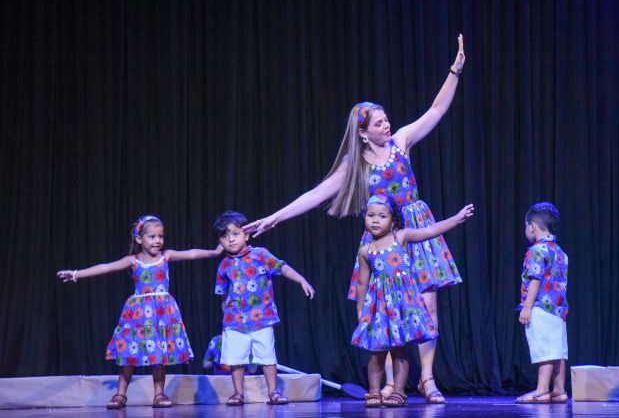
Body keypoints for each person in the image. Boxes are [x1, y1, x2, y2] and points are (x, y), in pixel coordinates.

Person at [245, 34, 467, 402]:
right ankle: (394, 386)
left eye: (386, 120)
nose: (387, 125)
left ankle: (427, 379)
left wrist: (455, 71)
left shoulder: (402, 143)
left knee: (427, 303)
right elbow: (316, 194)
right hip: (382, 240)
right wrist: (274, 218)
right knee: (390, 308)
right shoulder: (356, 164)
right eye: (379, 123)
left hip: (414, 227)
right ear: (363, 133)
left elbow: (436, 110)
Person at [56, 214, 223, 409]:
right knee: (129, 354)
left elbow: (192, 253)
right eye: (152, 237)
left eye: (160, 236)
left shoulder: (165, 256)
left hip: (162, 312)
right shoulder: (133, 260)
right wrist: (76, 274)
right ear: (139, 239)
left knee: (159, 355)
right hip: (138, 314)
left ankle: (159, 394)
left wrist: (215, 251)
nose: (157, 241)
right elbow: (105, 267)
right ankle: (120, 395)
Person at [352, 194, 474, 407]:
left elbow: (430, 231)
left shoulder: (402, 237)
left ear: (393, 220)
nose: (375, 220)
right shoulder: (365, 251)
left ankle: (399, 392)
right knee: (376, 353)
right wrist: (361, 312)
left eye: (382, 216)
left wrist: (456, 219)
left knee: (400, 351)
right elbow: (361, 284)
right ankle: (374, 392)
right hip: (379, 310)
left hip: (401, 307)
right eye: (371, 215)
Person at [214, 210, 315, 405]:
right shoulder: (223, 266)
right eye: (225, 237)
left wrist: (301, 280)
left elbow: (281, 267)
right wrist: (225, 317)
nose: (231, 240)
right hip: (234, 321)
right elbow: (223, 295)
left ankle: (273, 392)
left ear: (246, 234)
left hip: (262, 318)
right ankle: (238, 393)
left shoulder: (260, 254)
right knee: (236, 359)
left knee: (267, 357)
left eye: (235, 234)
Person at [515, 202, 569, 404]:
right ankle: (559, 390)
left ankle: (541, 390)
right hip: (558, 310)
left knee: (546, 348)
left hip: (541, 307)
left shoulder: (536, 250)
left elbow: (535, 279)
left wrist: (527, 307)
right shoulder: (561, 252)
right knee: (557, 349)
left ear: (532, 226)